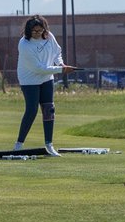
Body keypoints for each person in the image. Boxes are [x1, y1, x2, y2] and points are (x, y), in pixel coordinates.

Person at [13, 14, 77, 157]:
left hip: (47, 78)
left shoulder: (49, 36)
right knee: (31, 110)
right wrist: (61, 70)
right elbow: (38, 68)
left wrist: (61, 64)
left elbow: (57, 52)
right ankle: (18, 145)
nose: (37, 33)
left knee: (49, 109)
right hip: (29, 79)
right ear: (28, 30)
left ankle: (49, 145)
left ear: (44, 29)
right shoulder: (24, 44)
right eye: (34, 31)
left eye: (40, 30)